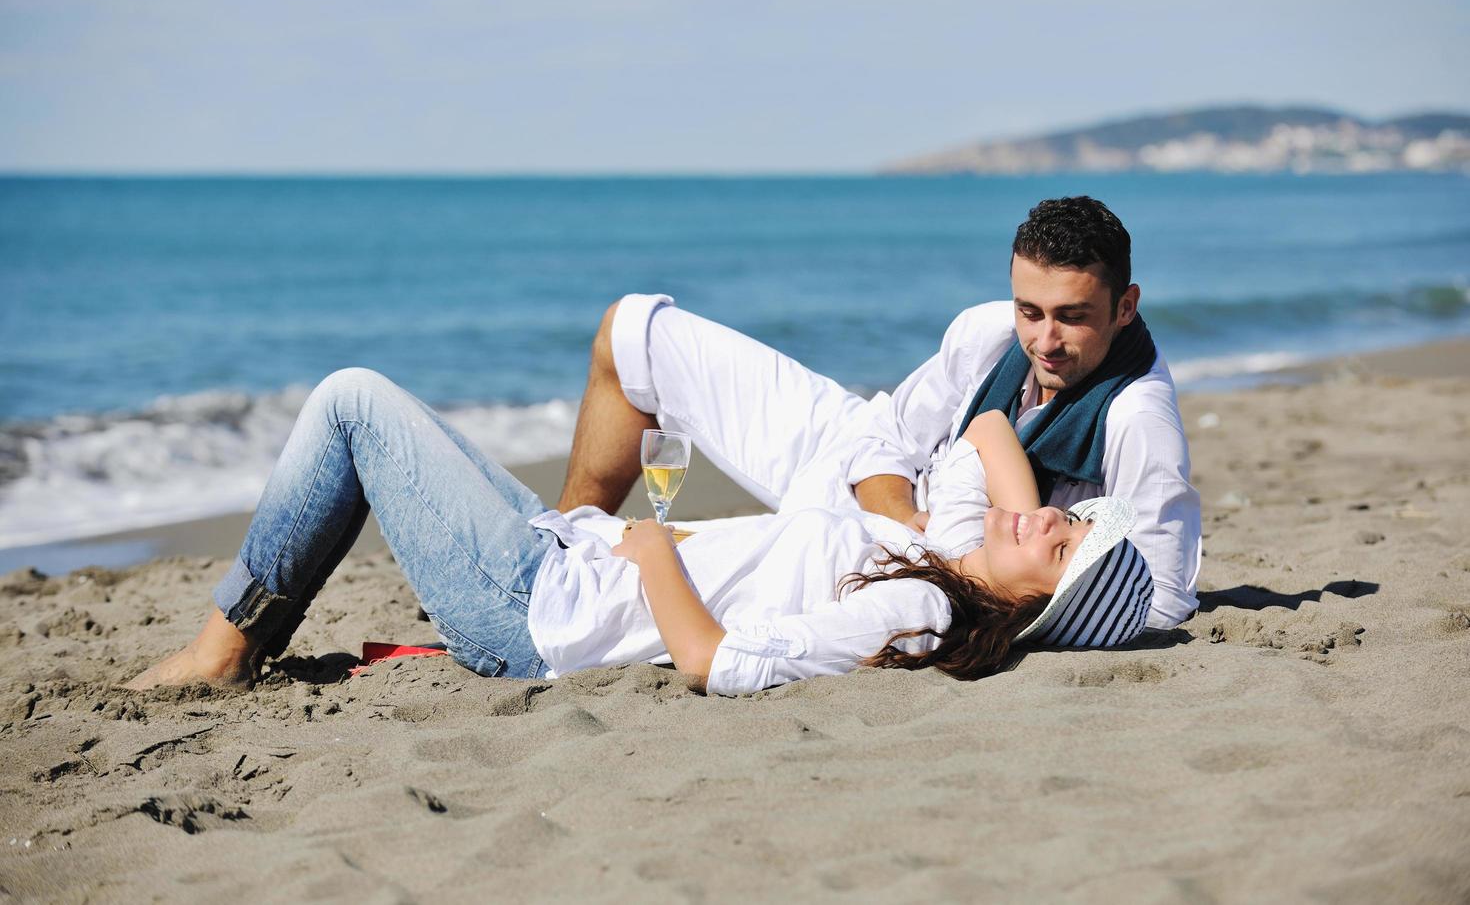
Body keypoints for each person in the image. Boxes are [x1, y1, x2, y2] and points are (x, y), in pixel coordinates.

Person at [124, 368, 1153, 697]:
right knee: (380, 423)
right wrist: (1031, 529)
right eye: (1070, 514)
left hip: (540, 611)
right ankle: (244, 632)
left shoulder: (923, 603)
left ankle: (224, 648)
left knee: (352, 401)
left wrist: (657, 549)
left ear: (1035, 603)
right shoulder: (947, 551)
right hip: (562, 562)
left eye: (1061, 544)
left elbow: (721, 662)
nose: (1055, 513)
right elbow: (983, 427)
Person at [556, 196, 1201, 627]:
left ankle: (557, 578)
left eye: (1073, 317)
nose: (1045, 340)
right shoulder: (987, 335)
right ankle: (556, 544)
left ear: (1126, 306)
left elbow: (1164, 599)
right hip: (852, 469)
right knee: (631, 330)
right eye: (1029, 311)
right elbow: (882, 442)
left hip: (868, 558)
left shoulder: (1137, 418)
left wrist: (992, 597)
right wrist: (916, 524)